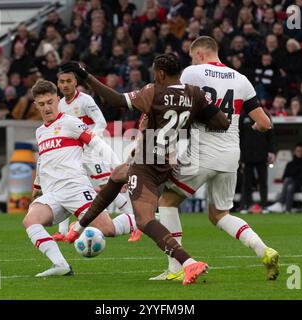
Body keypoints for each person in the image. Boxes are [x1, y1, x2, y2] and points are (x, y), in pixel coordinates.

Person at [63, 53, 231, 285]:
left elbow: (115, 100)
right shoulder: (194, 93)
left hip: (147, 163)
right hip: (168, 160)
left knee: (144, 220)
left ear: (160, 73)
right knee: (119, 174)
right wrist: (192, 119)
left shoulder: (154, 91)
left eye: (154, 72)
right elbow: (222, 123)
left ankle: (189, 263)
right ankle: (78, 226)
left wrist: (85, 76)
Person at [149, 36, 278, 282]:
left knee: (167, 202)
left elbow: (172, 107)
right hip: (230, 155)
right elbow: (264, 123)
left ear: (198, 54)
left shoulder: (192, 73)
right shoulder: (241, 79)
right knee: (220, 214)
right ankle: (265, 250)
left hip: (202, 152)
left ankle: (176, 268)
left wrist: (166, 147)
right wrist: (254, 129)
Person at [23, 80, 139, 277]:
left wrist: (121, 168)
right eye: (41, 104)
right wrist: (37, 184)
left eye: (50, 102)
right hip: (53, 194)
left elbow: (98, 145)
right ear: (36, 106)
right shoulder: (40, 131)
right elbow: (43, 158)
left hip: (76, 189)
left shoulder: (71, 122)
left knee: (108, 229)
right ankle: (61, 265)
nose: (47, 107)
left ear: (58, 99)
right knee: (30, 220)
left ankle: (143, 219)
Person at [53, 65, 138, 242]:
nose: (66, 85)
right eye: (62, 82)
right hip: (74, 155)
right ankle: (62, 232)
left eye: (69, 81)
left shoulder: (85, 101)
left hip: (92, 152)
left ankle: (136, 223)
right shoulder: (59, 105)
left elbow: (101, 123)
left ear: (76, 82)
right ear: (58, 85)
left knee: (109, 188)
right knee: (69, 186)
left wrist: (89, 141)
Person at [239, 109, 276, 213]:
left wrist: (272, 152)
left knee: (263, 182)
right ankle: (247, 205)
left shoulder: (265, 113)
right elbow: (239, 135)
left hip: (262, 154)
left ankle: (264, 206)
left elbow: (271, 134)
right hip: (247, 155)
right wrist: (239, 152)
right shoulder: (243, 115)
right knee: (247, 183)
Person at [268, 143, 302, 213]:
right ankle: (287, 210)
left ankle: (280, 203)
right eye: (298, 151)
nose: (299, 153)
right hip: (293, 185)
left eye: (301, 151)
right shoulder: (290, 164)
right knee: (290, 186)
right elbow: (284, 177)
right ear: (294, 152)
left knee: (289, 181)